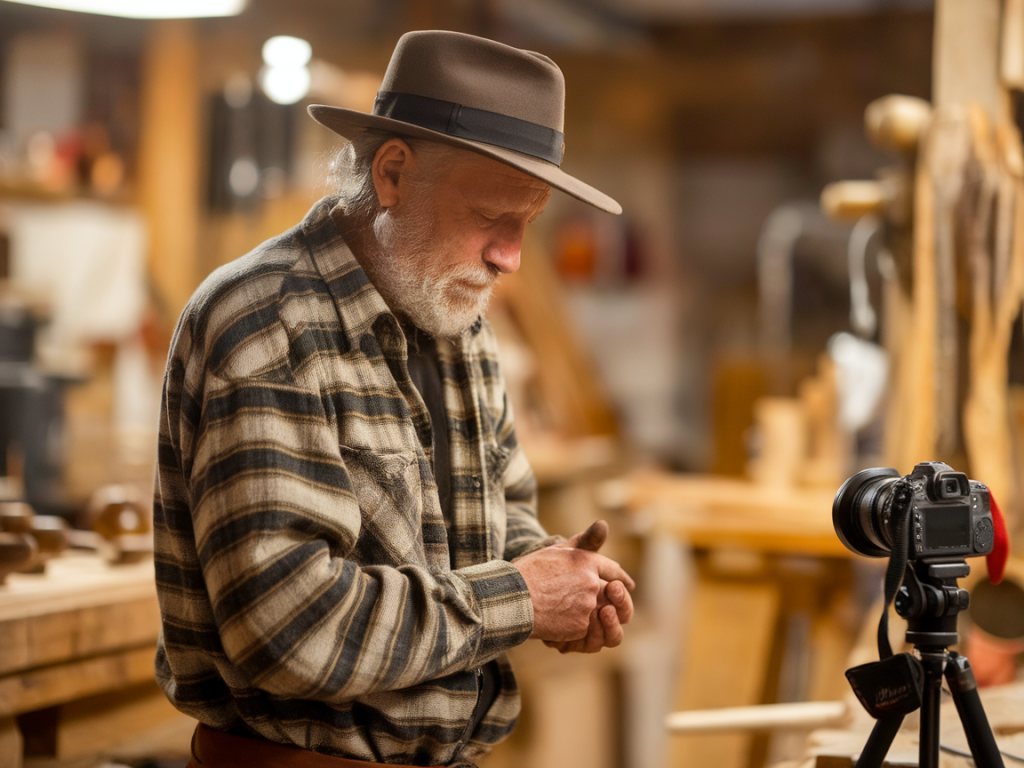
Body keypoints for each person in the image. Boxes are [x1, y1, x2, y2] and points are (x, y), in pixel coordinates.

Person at [153, 30, 634, 768]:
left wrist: (557, 574)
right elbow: (288, 627)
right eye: (488, 216)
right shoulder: (265, 322)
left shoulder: (457, 324)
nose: (510, 256)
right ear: (394, 173)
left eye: (527, 223)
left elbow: (496, 518)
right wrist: (521, 598)